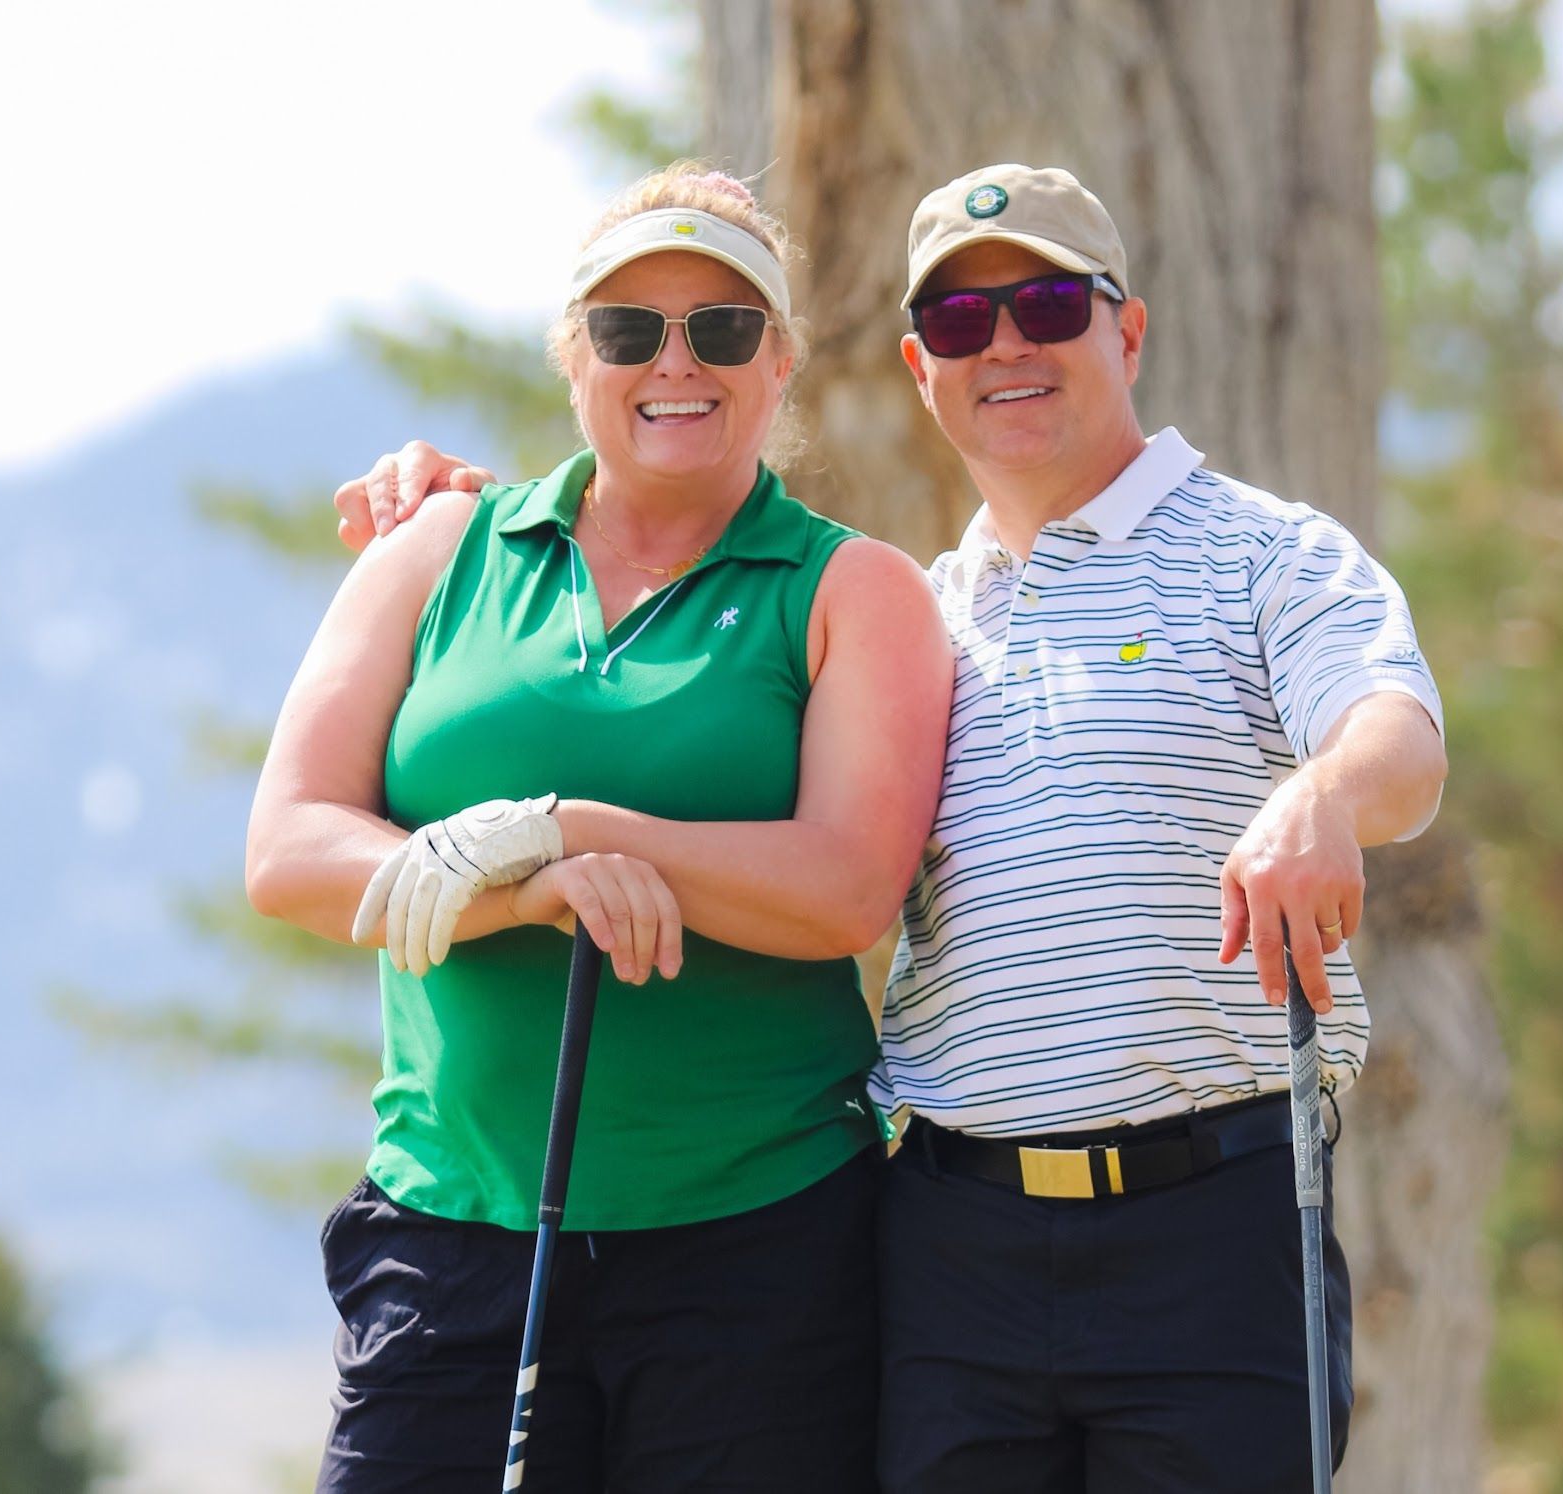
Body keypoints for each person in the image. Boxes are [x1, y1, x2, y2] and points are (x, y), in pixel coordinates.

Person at [343, 163, 1448, 1493]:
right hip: (951, 1245)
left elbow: (1399, 737)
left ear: (1129, 330)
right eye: (966, 325)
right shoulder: (923, 615)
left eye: (1046, 303)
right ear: (924, 368)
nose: (1009, 346)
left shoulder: (1268, 554)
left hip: (1210, 1222)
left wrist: (1322, 796)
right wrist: (445, 499)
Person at [247, 163, 950, 1492]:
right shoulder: (439, 548)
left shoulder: (855, 589)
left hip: (758, 1250)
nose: (674, 361)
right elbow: (288, 846)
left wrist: (567, 827)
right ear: (574, 355)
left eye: (724, 327)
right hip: (450, 1227)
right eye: (629, 329)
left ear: (781, 357)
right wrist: (529, 889)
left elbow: (848, 886)